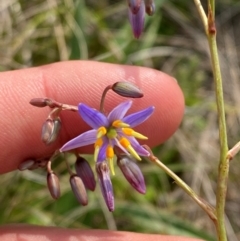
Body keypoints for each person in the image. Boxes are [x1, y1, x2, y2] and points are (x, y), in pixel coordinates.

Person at [0, 61, 203, 241]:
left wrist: (135, 148)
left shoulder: (116, 134)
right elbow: (85, 114)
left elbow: (134, 127)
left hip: (109, 133)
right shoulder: (102, 126)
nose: (114, 137)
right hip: (105, 131)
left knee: (111, 161)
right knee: (105, 162)